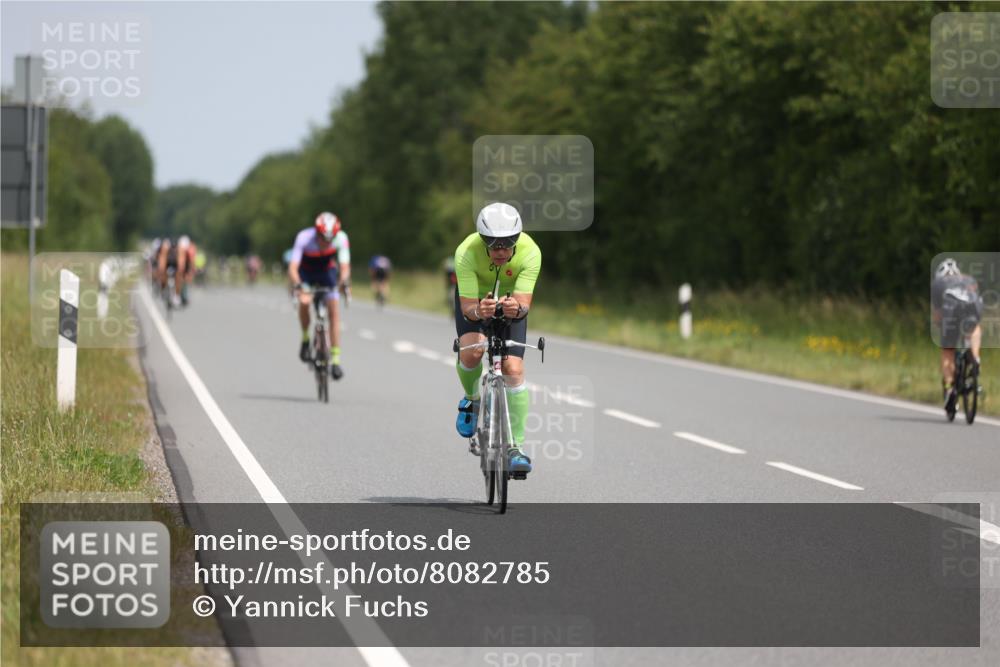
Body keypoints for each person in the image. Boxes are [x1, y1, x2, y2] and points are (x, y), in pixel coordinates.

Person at [453, 202, 541, 475]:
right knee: (473, 351)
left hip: (510, 302)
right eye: (493, 244)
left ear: (517, 239)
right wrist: (479, 310)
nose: (501, 250)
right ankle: (471, 398)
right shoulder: (466, 252)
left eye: (507, 243)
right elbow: (468, 307)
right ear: (482, 240)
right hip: (476, 301)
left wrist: (517, 308)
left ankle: (516, 446)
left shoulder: (530, 252)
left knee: (514, 368)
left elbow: (524, 303)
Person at [288, 212, 351, 379]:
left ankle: (336, 360)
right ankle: (305, 339)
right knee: (305, 300)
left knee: (334, 312)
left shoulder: (341, 238)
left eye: (330, 239)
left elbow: (344, 267)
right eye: (323, 238)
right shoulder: (304, 237)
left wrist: (343, 282)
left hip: (326, 272)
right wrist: (298, 285)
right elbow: (293, 268)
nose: (326, 242)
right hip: (306, 273)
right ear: (316, 232)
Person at [931, 258, 983, 413]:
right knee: (974, 328)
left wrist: (939, 325)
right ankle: (975, 357)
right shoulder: (969, 279)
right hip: (972, 308)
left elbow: (937, 315)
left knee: (948, 351)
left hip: (951, 311)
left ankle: (948, 388)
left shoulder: (938, 284)